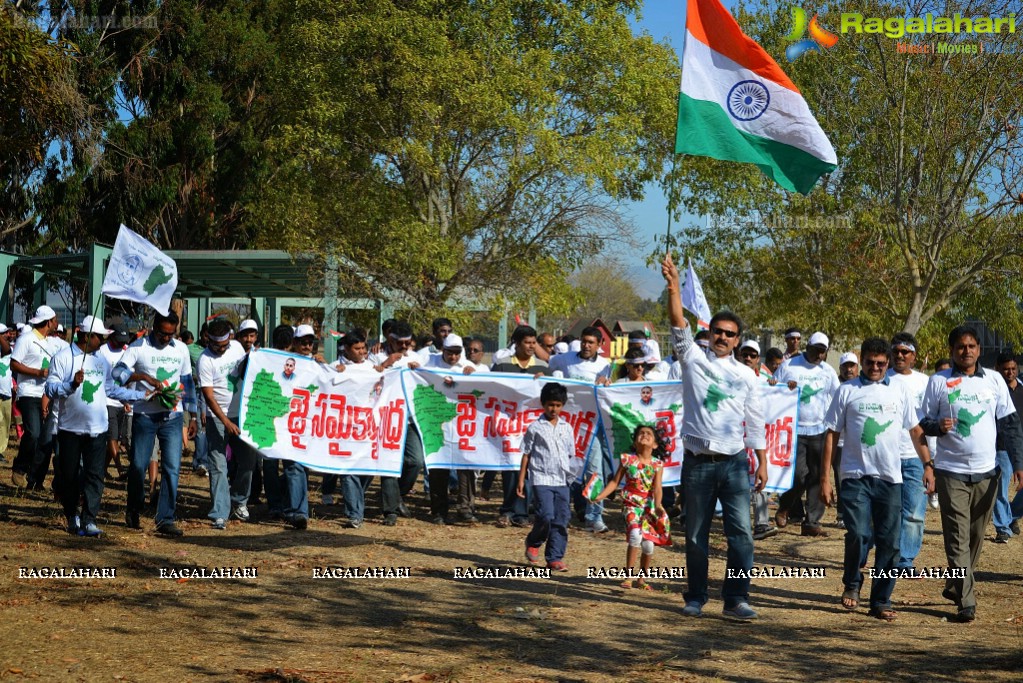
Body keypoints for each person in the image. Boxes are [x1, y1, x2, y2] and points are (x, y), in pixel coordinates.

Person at [663, 253, 768, 620]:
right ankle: (695, 597)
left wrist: (762, 462)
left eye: (729, 334)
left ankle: (736, 598)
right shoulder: (692, 358)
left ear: (738, 340)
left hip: (736, 465)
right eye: (717, 332)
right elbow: (677, 321)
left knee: (742, 536)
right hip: (697, 465)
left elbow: (755, 421)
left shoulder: (746, 376)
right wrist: (674, 285)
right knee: (695, 537)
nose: (721, 337)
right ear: (708, 334)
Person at [821, 337, 934, 621]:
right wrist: (825, 477)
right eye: (869, 362)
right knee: (859, 534)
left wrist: (928, 465)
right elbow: (832, 434)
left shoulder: (899, 390)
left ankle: (881, 599)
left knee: (890, 542)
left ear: (887, 363)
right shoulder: (847, 390)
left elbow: (915, 429)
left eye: (880, 363)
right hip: (855, 476)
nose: (874, 367)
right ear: (862, 361)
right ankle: (852, 583)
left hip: (889, 478)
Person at [920, 325, 1023, 622]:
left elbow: (1011, 424)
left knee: (976, 537)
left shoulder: (993, 380)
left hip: (988, 473)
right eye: (960, 347)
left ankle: (954, 583)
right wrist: (937, 427)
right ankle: (967, 599)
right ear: (952, 350)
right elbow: (922, 421)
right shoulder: (939, 381)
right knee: (957, 537)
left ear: (979, 349)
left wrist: (1018, 464)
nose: (966, 351)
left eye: (971, 346)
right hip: (951, 472)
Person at [46, 317, 150, 536]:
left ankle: (89, 519)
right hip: (69, 429)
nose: (103, 340)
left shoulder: (101, 361)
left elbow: (112, 390)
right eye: (99, 336)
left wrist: (141, 395)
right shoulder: (63, 357)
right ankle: (72, 515)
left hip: (98, 430)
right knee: (70, 475)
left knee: (95, 475)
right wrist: (72, 384)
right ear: (86, 336)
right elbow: (51, 389)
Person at [113, 310, 198, 536]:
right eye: (162, 333)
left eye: (171, 334)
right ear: (154, 328)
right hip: (145, 416)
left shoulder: (181, 349)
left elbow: (187, 382)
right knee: (139, 466)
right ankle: (133, 509)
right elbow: (117, 373)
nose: (166, 338)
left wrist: (194, 416)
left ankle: (166, 518)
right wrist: (142, 378)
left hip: (173, 417)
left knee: (172, 468)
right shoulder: (139, 347)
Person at [773, 331, 840, 537]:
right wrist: (784, 388)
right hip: (794, 430)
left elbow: (837, 398)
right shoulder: (789, 366)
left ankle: (812, 522)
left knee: (818, 477)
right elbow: (772, 388)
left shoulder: (828, 371)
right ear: (807, 347)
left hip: (820, 430)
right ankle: (785, 505)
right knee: (798, 476)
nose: (819, 355)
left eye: (823, 352)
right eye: (816, 350)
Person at [549, 326, 613, 533]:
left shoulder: (606, 366)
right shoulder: (564, 359)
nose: (586, 345)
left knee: (595, 471)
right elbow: (547, 364)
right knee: (564, 469)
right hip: (568, 424)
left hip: (593, 426)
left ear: (599, 345)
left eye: (591, 342)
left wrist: (607, 384)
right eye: (584, 341)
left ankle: (594, 516)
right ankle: (561, 513)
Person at [592, 424, 667, 589]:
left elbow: (657, 488)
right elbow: (614, 482)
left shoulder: (657, 465)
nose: (644, 435)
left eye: (649, 433)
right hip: (631, 504)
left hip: (649, 508)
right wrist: (599, 496)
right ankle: (628, 577)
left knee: (648, 544)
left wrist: (658, 505)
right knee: (635, 535)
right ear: (634, 442)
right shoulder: (627, 459)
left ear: (655, 444)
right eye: (641, 433)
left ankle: (642, 579)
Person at [489, 325, 550, 527]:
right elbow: (489, 388)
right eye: (527, 342)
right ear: (516, 343)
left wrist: (545, 381)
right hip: (508, 424)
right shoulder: (502, 365)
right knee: (510, 466)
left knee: (530, 467)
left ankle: (522, 513)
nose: (531, 346)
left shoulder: (542, 367)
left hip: (531, 424)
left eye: (534, 342)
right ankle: (507, 510)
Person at [197, 318, 250, 530]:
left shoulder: (237, 347)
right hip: (217, 418)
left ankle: (240, 501)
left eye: (225, 345)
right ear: (208, 341)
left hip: (242, 415)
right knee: (218, 465)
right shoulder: (204, 360)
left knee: (247, 462)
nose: (222, 349)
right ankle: (219, 512)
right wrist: (225, 421)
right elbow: (209, 396)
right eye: (217, 346)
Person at [368, 321, 422, 525]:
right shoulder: (377, 355)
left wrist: (419, 371)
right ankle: (390, 510)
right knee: (389, 462)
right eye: (401, 344)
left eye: (408, 343)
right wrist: (387, 364)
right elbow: (369, 379)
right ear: (390, 340)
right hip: (386, 418)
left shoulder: (416, 357)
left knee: (415, 460)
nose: (405, 348)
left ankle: (397, 496)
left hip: (408, 418)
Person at [422, 334, 481, 524]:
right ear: (443, 350)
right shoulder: (430, 361)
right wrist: (415, 367)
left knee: (466, 467)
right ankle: (439, 510)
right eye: (450, 353)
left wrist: (474, 375)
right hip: (438, 424)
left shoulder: (467, 367)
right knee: (438, 467)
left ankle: (465, 508)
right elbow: (412, 365)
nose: (453, 357)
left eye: (457, 353)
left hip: (462, 425)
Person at [518, 382, 575, 572]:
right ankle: (534, 541)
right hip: (541, 478)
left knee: (561, 518)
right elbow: (526, 454)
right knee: (545, 515)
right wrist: (521, 480)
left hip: (562, 480)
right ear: (543, 404)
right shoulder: (535, 428)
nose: (554, 409)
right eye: (551, 404)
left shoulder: (567, 428)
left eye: (558, 405)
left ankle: (554, 557)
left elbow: (570, 455)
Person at [887, 333, 932, 570]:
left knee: (914, 511)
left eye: (905, 351)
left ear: (914, 356)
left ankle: (905, 560)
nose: (900, 355)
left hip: (915, 456)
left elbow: (930, 420)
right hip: (886, 457)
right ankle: (885, 552)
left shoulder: (925, 382)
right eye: (896, 351)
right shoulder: (882, 379)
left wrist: (930, 461)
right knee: (886, 511)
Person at [333, 330, 382, 528]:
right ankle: (355, 513)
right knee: (347, 469)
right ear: (346, 349)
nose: (362, 352)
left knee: (367, 469)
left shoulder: (372, 367)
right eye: (357, 348)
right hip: (344, 428)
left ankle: (356, 502)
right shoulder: (337, 367)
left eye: (364, 348)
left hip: (369, 427)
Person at [10, 305, 61, 489]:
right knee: (33, 433)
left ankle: (35, 481)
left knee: (46, 441)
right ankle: (20, 467)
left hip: (46, 395)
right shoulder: (26, 339)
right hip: (29, 393)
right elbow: (14, 364)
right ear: (48, 322)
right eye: (55, 320)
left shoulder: (51, 342)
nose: (57, 323)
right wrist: (38, 372)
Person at [993, 352, 1023, 542]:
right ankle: (1002, 527)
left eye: (1013, 369)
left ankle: (1011, 515)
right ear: (998, 370)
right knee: (1001, 489)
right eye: (1006, 369)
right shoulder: (994, 391)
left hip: (1021, 445)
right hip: (1002, 446)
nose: (1010, 372)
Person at [97, 325, 132, 479]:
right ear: (111, 337)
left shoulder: (127, 351)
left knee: (115, 437)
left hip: (121, 401)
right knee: (113, 436)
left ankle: (102, 469)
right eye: (118, 340)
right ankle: (120, 468)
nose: (121, 343)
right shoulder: (102, 351)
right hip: (107, 401)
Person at [0, 324, 13, 464]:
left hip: (6, 394)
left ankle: (0, 450)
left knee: (5, 424)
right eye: (4, 333)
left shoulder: (10, 351)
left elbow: (6, 349)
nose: (7, 335)